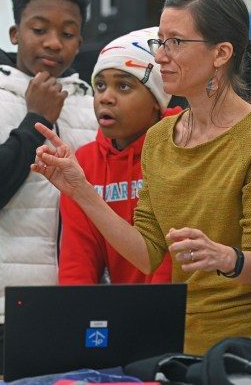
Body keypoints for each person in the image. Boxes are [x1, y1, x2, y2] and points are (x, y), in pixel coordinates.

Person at [33, 0, 251, 356]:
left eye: (176, 42)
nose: (160, 56)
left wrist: (226, 257)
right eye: (160, 41)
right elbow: (147, 253)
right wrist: (79, 189)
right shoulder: (160, 138)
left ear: (221, 53)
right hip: (180, 341)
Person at [0, 0, 96, 376]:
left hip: (83, 300)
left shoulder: (91, 106)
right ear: (16, 33)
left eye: (68, 32)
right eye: (40, 29)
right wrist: (36, 118)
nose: (54, 42)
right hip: (6, 309)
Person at [59, 27, 178, 285]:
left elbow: (172, 259)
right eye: (100, 86)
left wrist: (153, 319)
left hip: (180, 313)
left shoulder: (181, 147)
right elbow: (78, 263)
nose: (106, 98)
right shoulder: (85, 164)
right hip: (121, 312)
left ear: (157, 100)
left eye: (123, 86)